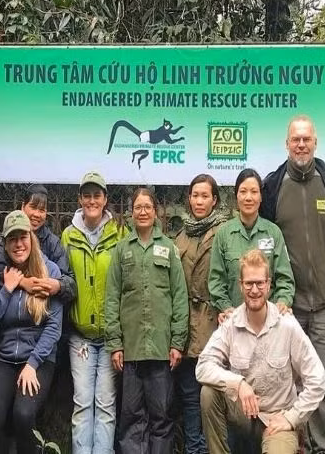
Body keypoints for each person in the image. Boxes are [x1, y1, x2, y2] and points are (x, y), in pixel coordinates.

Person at [261, 114, 325, 454]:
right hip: (286, 305)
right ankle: (295, 447)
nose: (301, 144)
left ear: (315, 142)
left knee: (320, 382)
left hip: (323, 303)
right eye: (296, 138)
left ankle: (323, 448)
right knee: (287, 383)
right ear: (287, 143)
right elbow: (266, 242)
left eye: (307, 138)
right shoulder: (273, 185)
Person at [197, 249, 325, 454]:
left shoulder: (287, 325)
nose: (254, 290)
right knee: (209, 393)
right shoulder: (231, 324)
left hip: (277, 419)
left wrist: (291, 418)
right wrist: (238, 384)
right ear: (240, 285)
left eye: (259, 283)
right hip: (244, 415)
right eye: (249, 283)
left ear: (268, 284)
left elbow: (318, 379)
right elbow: (202, 367)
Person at [105, 187, 189, 454]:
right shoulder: (121, 251)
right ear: (131, 214)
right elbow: (111, 298)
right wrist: (115, 343)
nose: (142, 212)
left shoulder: (169, 249)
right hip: (130, 350)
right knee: (131, 417)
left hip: (161, 350)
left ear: (156, 213)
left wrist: (177, 342)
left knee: (161, 417)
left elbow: (179, 296)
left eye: (147, 207)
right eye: (137, 208)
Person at [0, 210, 63, 453]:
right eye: (12, 239)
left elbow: (53, 326)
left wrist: (32, 364)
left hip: (38, 359)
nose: (18, 244)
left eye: (23, 237)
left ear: (31, 237)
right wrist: (6, 290)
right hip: (3, 358)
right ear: (5, 244)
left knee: (23, 415)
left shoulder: (50, 272)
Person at [62, 171, 127, 454]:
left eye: (97, 195)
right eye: (86, 195)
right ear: (80, 199)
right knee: (82, 403)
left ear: (105, 199)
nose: (91, 200)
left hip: (111, 338)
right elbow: (63, 280)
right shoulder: (68, 235)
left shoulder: (120, 234)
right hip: (81, 338)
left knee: (106, 404)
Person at [173, 174, 227, 454]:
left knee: (212, 395)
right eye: (195, 195)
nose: (199, 201)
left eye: (205, 196)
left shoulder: (224, 232)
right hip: (184, 325)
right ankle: (195, 449)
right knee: (189, 396)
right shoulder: (181, 235)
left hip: (213, 324)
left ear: (214, 200)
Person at [209, 169, 294, 321]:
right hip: (235, 320)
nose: (248, 197)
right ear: (236, 196)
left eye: (254, 192)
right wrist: (226, 308)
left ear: (261, 197)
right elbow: (216, 280)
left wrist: (282, 302)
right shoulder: (223, 234)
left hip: (269, 321)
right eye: (243, 191)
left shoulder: (273, 232)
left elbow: (285, 279)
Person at [18, 183, 76, 305]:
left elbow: (70, 282)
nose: (37, 214)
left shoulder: (53, 243)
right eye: (33, 207)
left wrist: (59, 285)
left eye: (42, 210)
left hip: (45, 309)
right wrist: (22, 282)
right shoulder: (9, 236)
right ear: (23, 207)